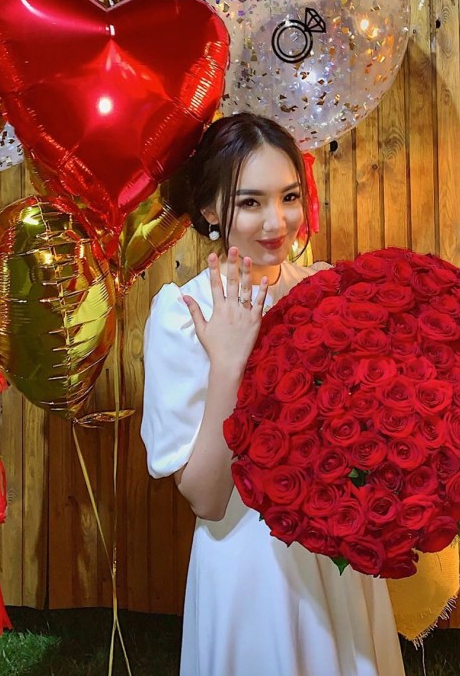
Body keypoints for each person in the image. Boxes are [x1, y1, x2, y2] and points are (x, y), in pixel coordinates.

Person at [141, 113, 405, 676]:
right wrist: (229, 363)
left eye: (288, 197)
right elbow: (208, 500)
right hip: (250, 569)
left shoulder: (324, 291)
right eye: (250, 202)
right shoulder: (183, 315)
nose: (276, 221)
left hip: (337, 554)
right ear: (210, 210)